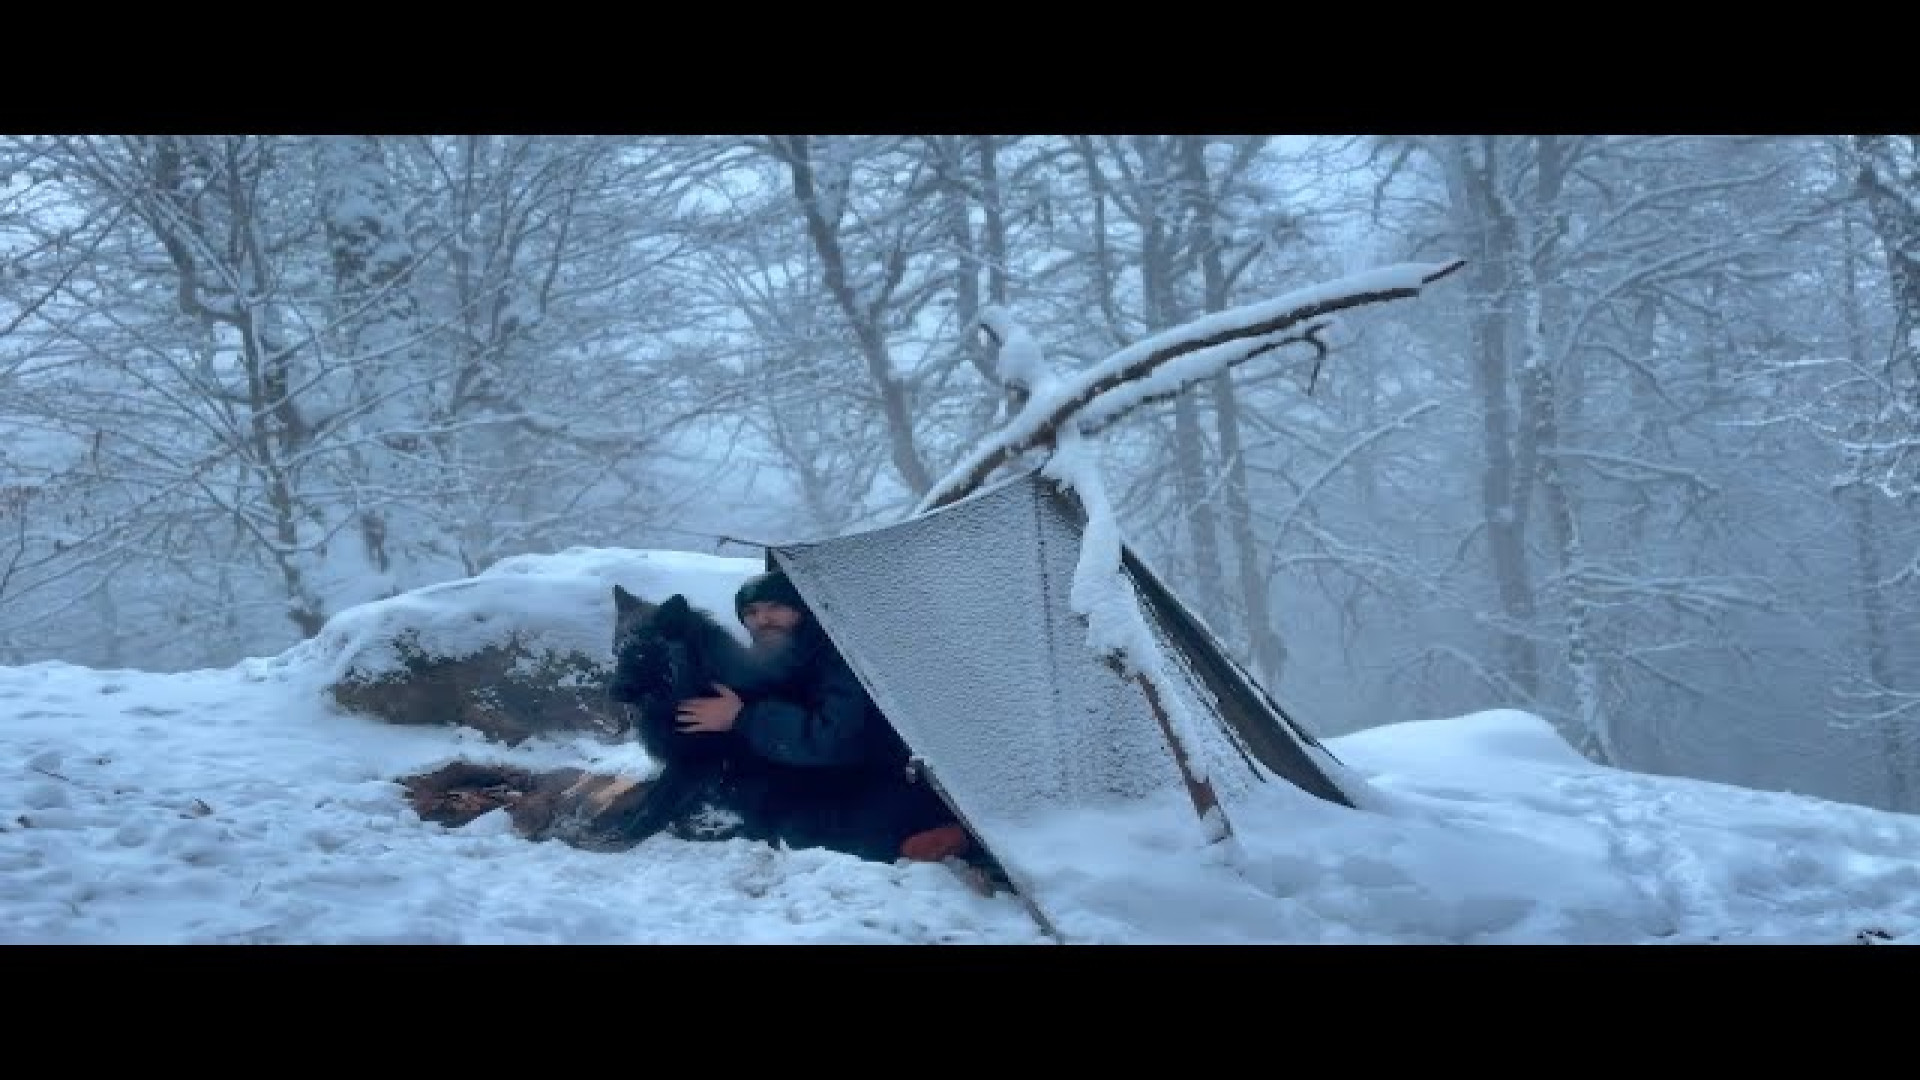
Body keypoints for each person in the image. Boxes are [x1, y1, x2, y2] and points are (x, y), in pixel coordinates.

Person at [671, 569, 975, 865]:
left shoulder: (841, 654)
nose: (763, 620)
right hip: (827, 771)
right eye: (751, 612)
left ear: (804, 609)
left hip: (881, 772)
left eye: (776, 607)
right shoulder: (783, 656)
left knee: (804, 827)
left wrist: (743, 717)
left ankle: (928, 836)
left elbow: (835, 738)